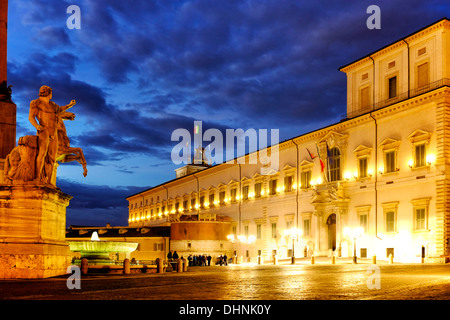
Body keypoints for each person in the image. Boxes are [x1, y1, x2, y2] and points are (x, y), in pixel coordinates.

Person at [28, 85, 76, 184]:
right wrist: (37, 126)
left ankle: (48, 181)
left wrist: (70, 105)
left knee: (52, 157)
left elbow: (60, 109)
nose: (51, 95)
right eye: (51, 93)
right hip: (44, 131)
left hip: (53, 132)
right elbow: (31, 117)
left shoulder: (53, 105)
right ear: (48, 93)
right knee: (42, 154)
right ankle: (37, 178)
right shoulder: (35, 103)